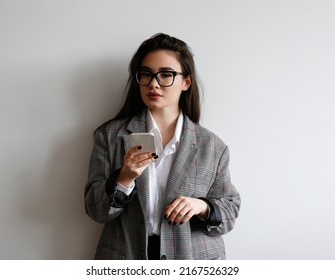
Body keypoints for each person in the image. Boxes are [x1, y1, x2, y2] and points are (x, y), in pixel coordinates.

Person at [84, 33, 241, 260]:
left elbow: (230, 211)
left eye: (166, 75)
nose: (153, 84)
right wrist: (124, 178)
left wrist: (201, 207)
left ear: (186, 82)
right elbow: (95, 211)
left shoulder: (213, 146)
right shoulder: (110, 136)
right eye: (146, 74)